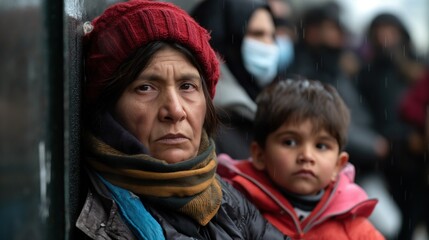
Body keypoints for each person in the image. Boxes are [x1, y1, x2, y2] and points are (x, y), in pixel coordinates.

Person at [75, 1, 291, 239]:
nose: (175, 111)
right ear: (108, 106)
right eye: (146, 88)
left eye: (187, 86)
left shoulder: (228, 200)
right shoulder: (90, 216)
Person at [217, 78, 385, 239]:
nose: (306, 156)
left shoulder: (354, 228)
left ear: (338, 165)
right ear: (260, 155)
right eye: (290, 142)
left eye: (321, 146)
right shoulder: (234, 207)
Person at [191, 0, 279, 159]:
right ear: (225, 37)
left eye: (272, 35)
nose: (269, 44)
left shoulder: (272, 103)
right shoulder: (203, 121)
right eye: (257, 34)